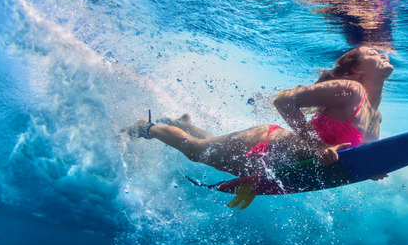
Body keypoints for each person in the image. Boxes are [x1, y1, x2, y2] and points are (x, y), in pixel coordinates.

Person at [125, 47, 394, 178]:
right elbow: (284, 102)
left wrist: (374, 171)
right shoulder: (351, 89)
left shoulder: (376, 117)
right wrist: (317, 147)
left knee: (208, 147)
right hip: (266, 146)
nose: (384, 54)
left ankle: (182, 122)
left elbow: (356, 158)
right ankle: (145, 128)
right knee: (197, 151)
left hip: (280, 164)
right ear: (356, 70)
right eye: (374, 52)